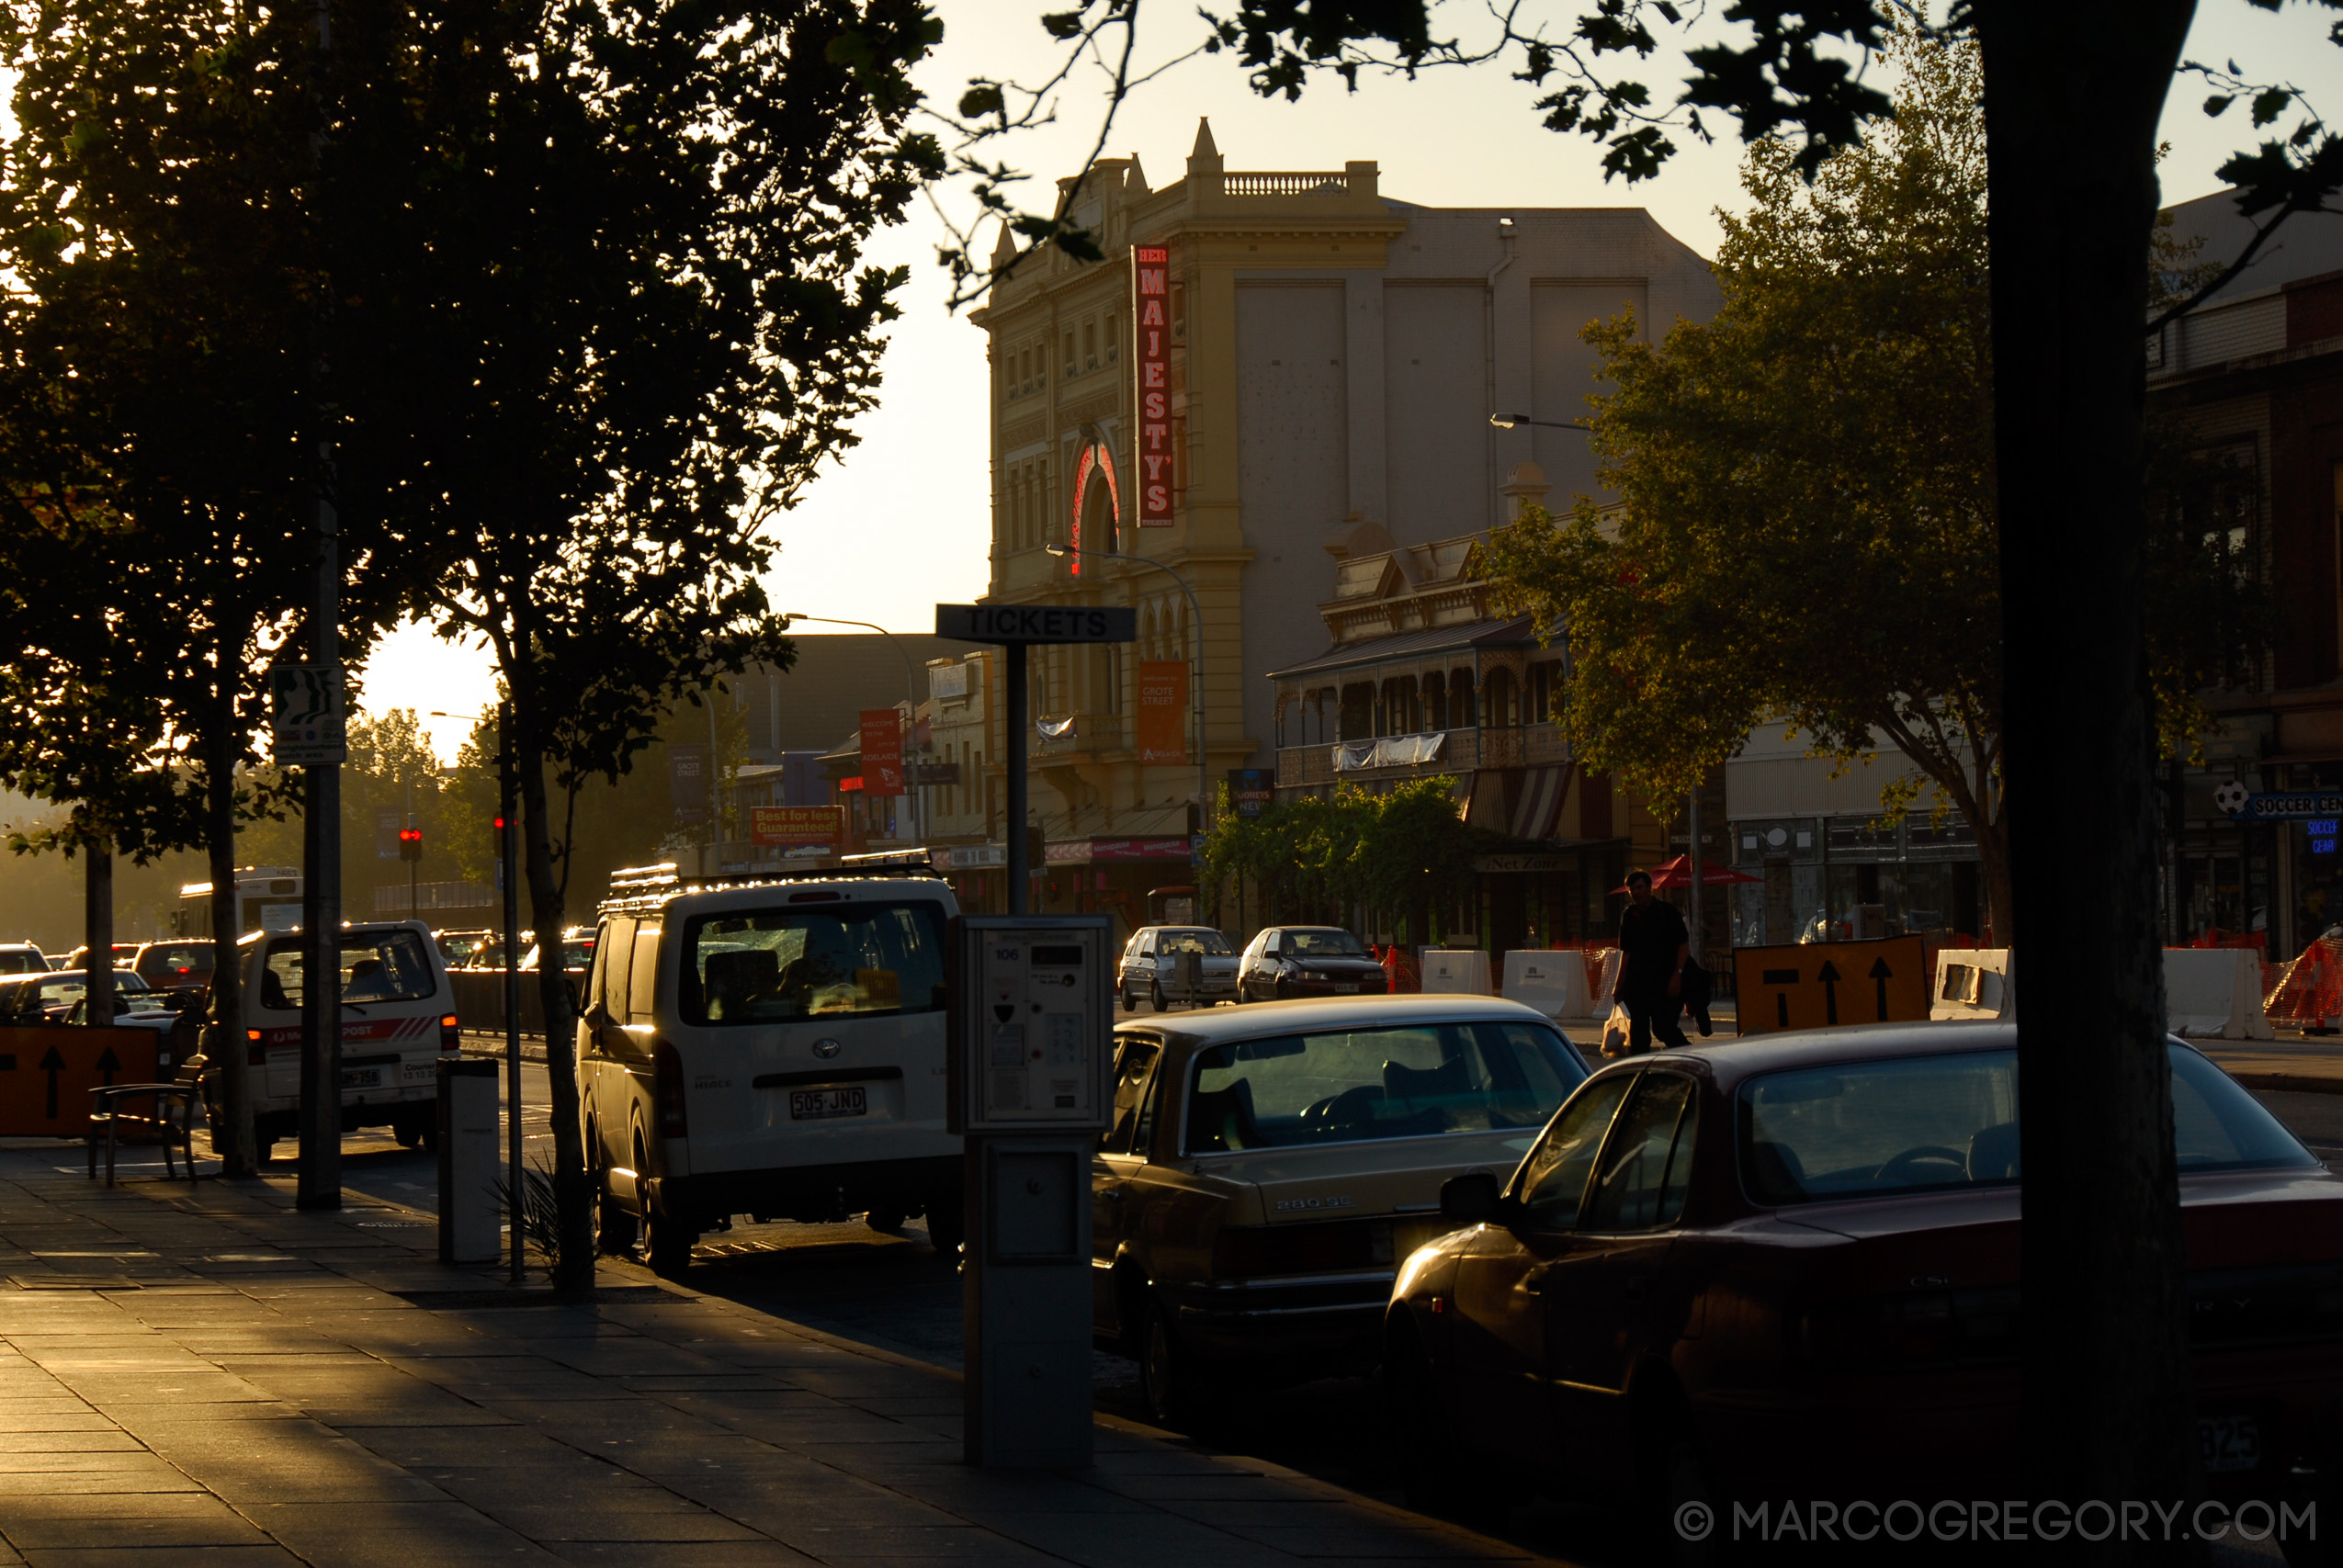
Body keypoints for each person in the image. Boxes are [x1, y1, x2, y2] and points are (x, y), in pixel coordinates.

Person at [1614, 869, 1691, 1055]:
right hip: (1637, 984)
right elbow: (1627, 953)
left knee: (1663, 1028)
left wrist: (1677, 975)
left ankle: (1691, 1056)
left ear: (1650, 888)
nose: (1636, 893)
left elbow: (1683, 945)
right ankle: (1641, 1070)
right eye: (1632, 890)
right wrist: (1619, 984)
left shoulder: (1666, 912)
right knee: (1639, 1032)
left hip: (1664, 981)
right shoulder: (1629, 915)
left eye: (1640, 887)